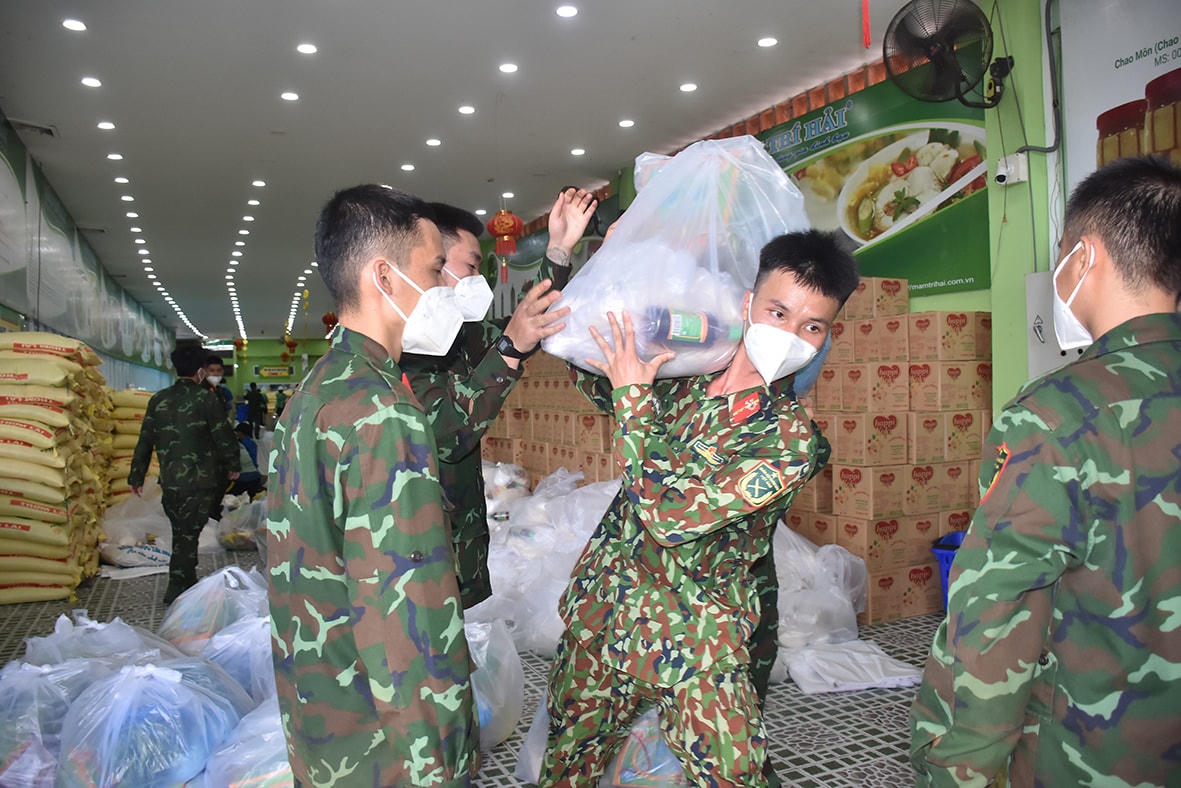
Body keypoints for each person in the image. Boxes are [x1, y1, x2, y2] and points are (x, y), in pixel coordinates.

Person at [539, 230, 859, 785]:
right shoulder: (683, 376)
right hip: (605, 616)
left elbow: (670, 516)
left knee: (737, 776)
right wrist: (607, 261)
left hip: (695, 642)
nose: (791, 335)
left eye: (812, 326)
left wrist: (634, 398)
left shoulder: (789, 440)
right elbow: (589, 366)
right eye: (777, 312)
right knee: (568, 764)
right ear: (746, 305)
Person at [910, 155, 1181, 786]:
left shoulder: (1054, 417)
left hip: (1094, 758)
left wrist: (955, 770)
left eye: (1060, 253)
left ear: (1083, 258)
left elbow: (995, 616)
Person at [266, 184, 477, 786]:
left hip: (325, 726)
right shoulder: (382, 412)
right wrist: (438, 763)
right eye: (436, 269)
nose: (446, 289)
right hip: (389, 749)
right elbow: (407, 616)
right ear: (385, 277)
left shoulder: (316, 392)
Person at [400, 187, 597, 608]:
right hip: (419, 559)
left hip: (465, 543)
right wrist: (509, 347)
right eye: (470, 266)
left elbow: (530, 320)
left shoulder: (461, 336)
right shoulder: (398, 350)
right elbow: (450, 433)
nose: (477, 280)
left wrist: (560, 248)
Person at [128, 344, 240, 604]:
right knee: (187, 535)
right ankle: (178, 586)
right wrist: (233, 464)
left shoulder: (158, 400)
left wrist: (136, 475)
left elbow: (145, 440)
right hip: (199, 481)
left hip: (171, 481)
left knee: (183, 532)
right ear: (200, 371)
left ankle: (185, 582)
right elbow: (223, 436)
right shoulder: (206, 399)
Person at [227, 422, 264, 498]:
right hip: (256, 476)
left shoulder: (240, 445)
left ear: (240, 433)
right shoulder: (254, 443)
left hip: (244, 477)